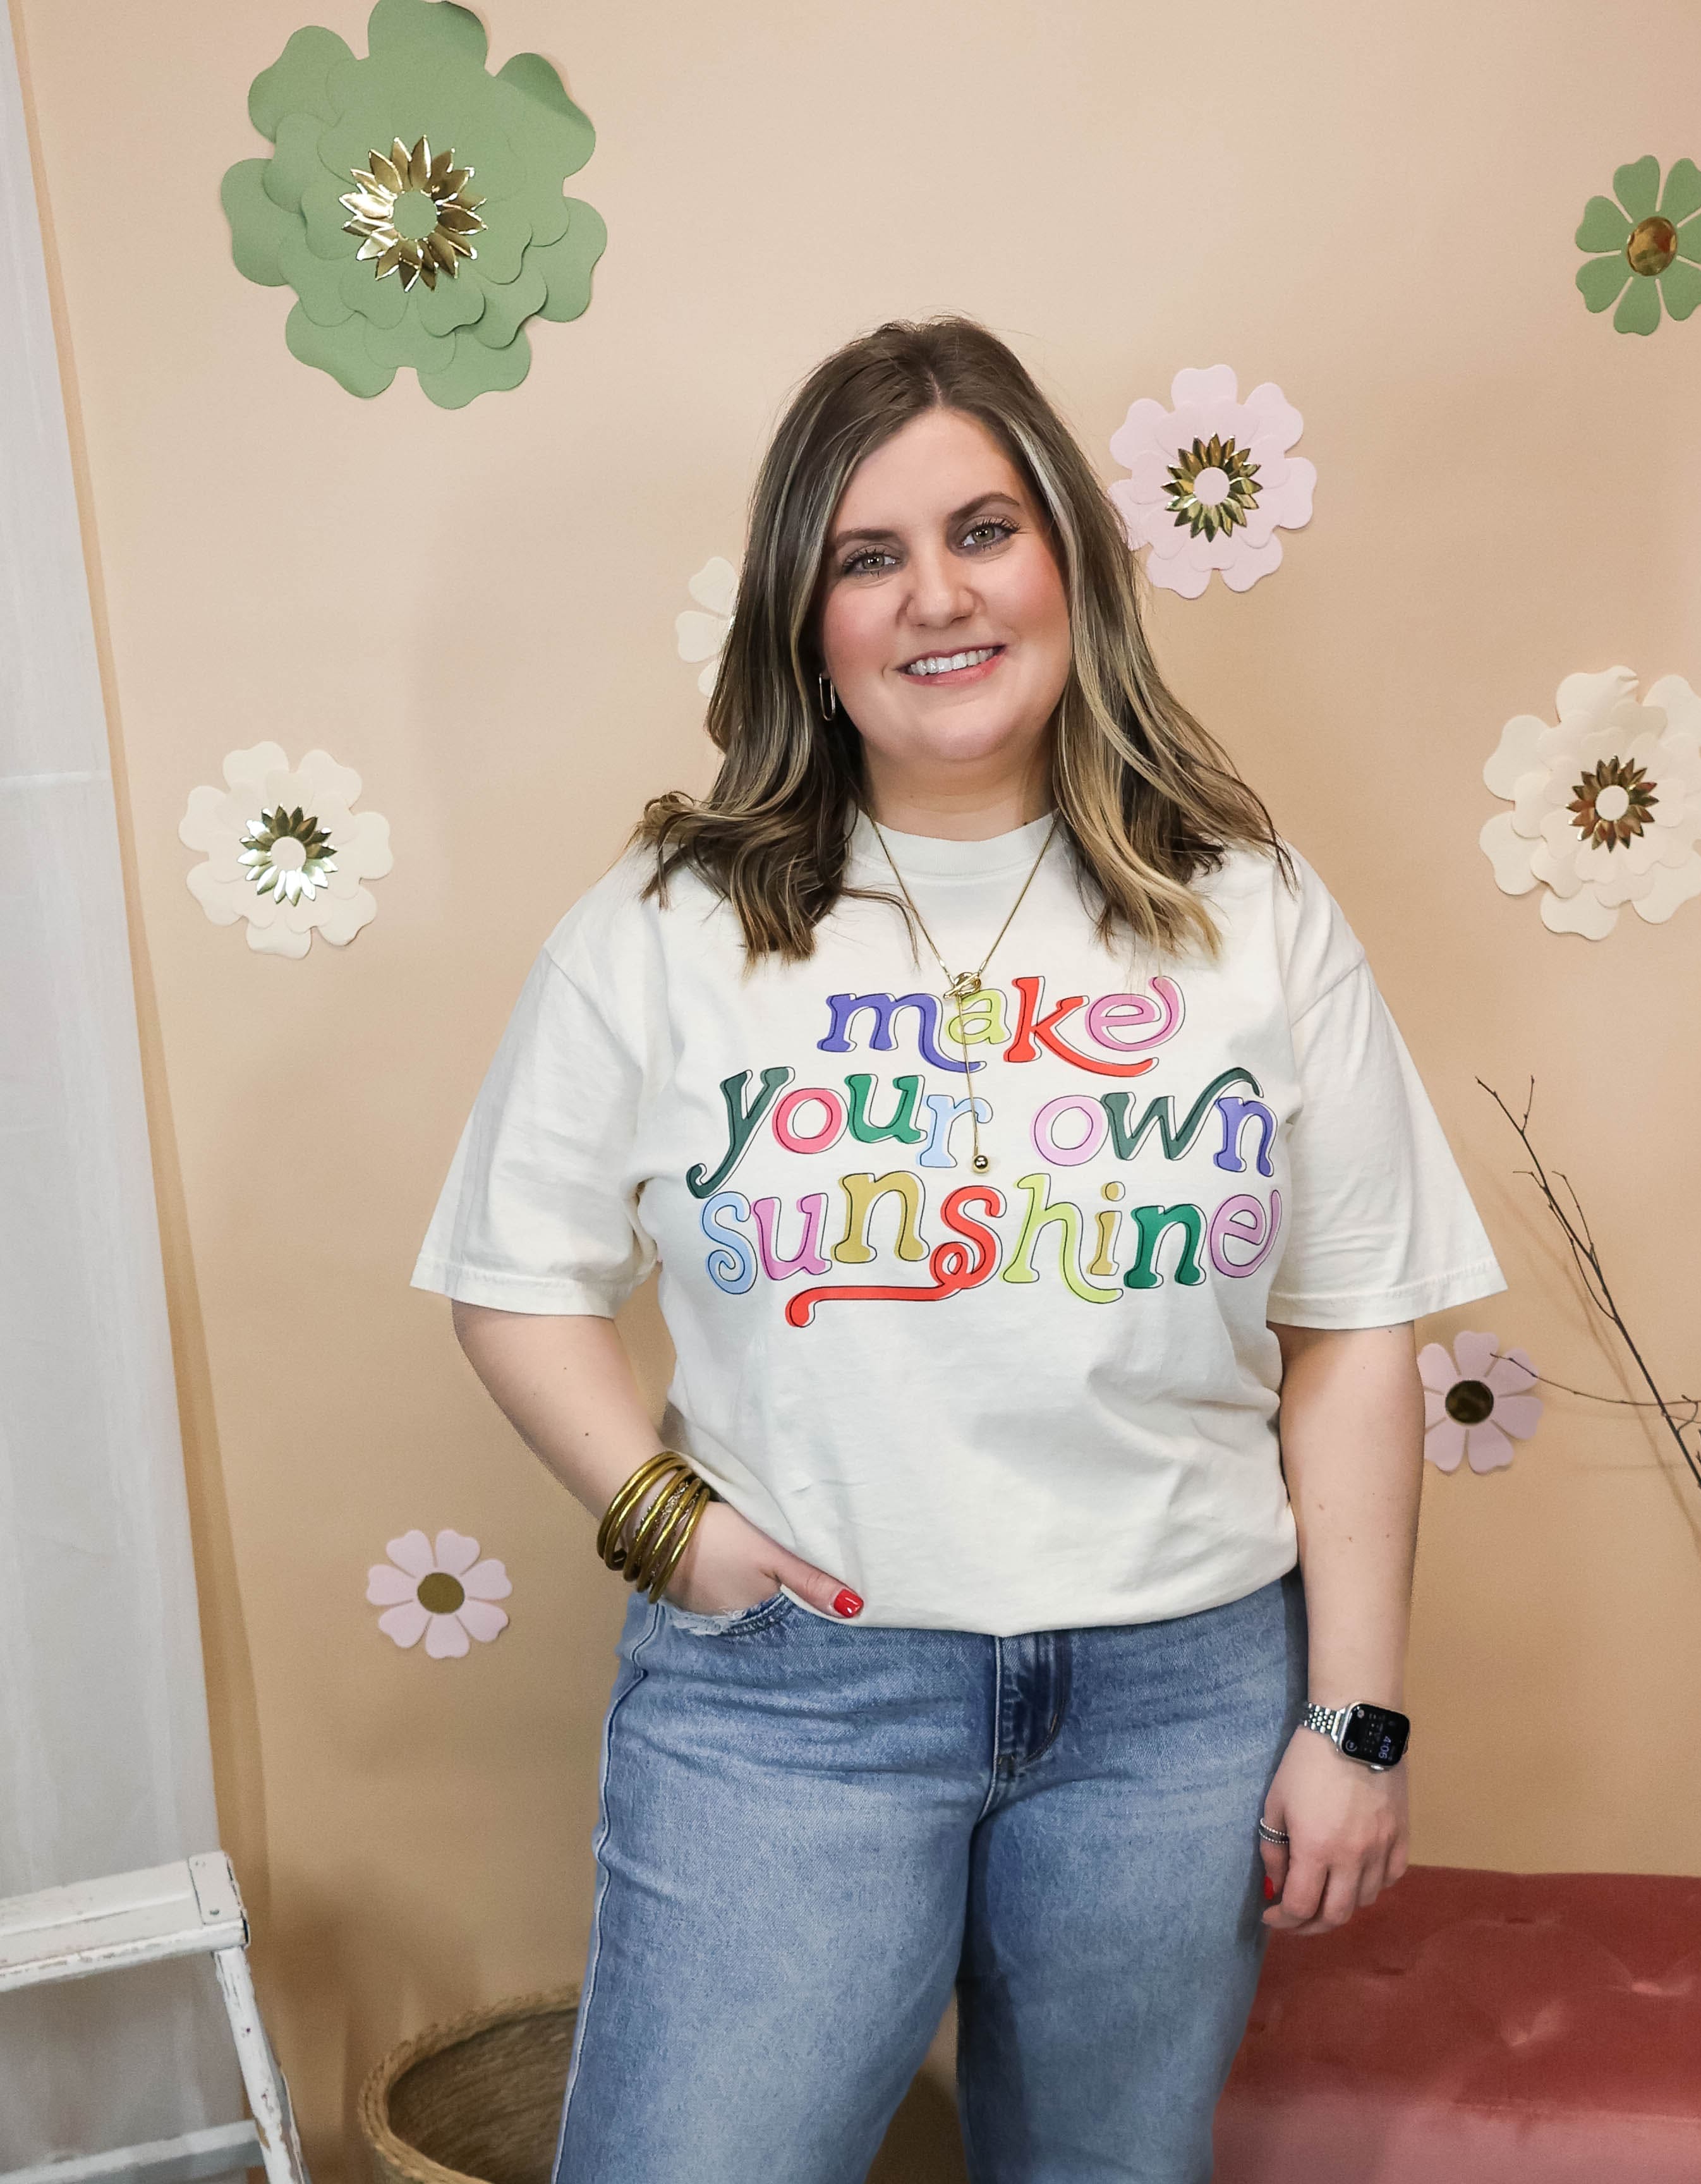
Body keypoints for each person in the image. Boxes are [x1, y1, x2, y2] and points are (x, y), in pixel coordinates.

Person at [411, 315, 1506, 2184]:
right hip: (797, 1700)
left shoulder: (1249, 912)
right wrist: (671, 1527)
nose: (938, 594)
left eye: (984, 530)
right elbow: (511, 1280)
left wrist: (1357, 1716)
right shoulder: (671, 926)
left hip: (1180, 1699)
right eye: (870, 555)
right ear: (805, 618)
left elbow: (1351, 1328)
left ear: (1069, 560)